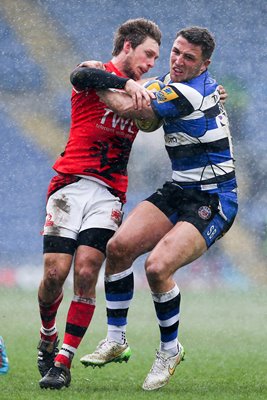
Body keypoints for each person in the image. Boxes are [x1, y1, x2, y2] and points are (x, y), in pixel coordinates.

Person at [79, 26, 238, 391]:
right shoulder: (175, 81)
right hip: (181, 187)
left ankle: (170, 351)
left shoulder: (188, 90)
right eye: (176, 52)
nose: (178, 61)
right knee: (118, 249)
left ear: (205, 65)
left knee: (157, 267)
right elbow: (149, 112)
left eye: (189, 58)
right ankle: (116, 340)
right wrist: (130, 84)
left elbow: (125, 105)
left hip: (214, 198)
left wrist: (93, 78)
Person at [37, 18, 162, 390]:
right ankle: (47, 335)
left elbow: (160, 114)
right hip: (70, 185)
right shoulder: (95, 71)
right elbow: (81, 76)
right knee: (54, 275)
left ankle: (63, 361)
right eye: (148, 54)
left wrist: (210, 94)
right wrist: (126, 84)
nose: (151, 63)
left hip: (109, 192)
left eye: (156, 57)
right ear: (127, 45)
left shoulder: (146, 90)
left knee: (87, 272)